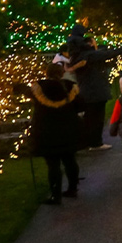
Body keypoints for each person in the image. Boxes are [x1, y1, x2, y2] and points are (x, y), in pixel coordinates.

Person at [68, 26, 122, 150]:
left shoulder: (77, 55)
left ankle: (87, 142)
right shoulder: (90, 55)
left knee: (89, 117)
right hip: (96, 91)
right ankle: (96, 142)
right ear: (90, 44)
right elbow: (109, 54)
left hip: (86, 90)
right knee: (97, 118)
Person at [29, 62, 81, 205]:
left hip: (47, 132)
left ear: (47, 73)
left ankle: (55, 195)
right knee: (70, 161)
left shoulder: (38, 88)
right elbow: (80, 106)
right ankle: (72, 188)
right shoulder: (70, 87)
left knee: (53, 165)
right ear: (62, 73)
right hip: (67, 130)